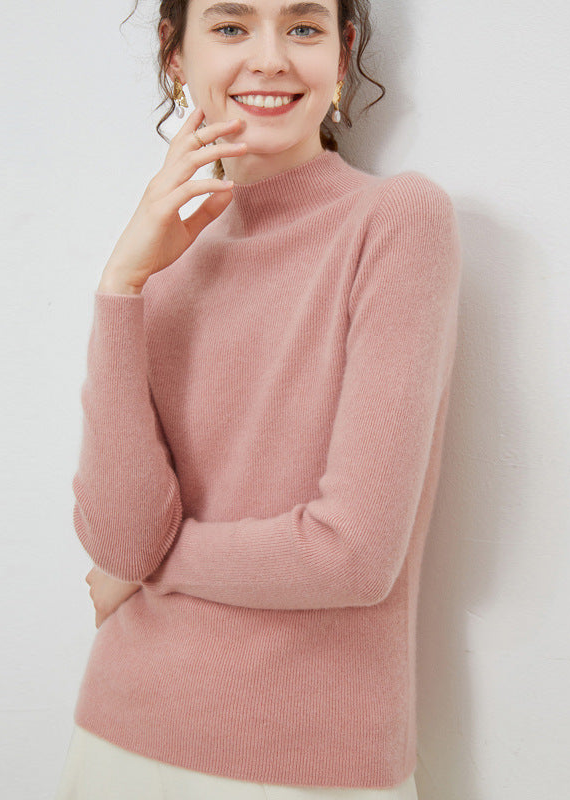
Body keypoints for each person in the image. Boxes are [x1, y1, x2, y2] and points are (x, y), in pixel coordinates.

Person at [54, 0, 461, 797]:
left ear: (342, 51)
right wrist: (121, 285)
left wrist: (150, 569)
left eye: (303, 27)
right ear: (176, 53)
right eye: (232, 27)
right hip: (118, 736)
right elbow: (121, 543)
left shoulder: (396, 220)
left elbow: (351, 557)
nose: (271, 57)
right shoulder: (163, 260)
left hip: (308, 762)